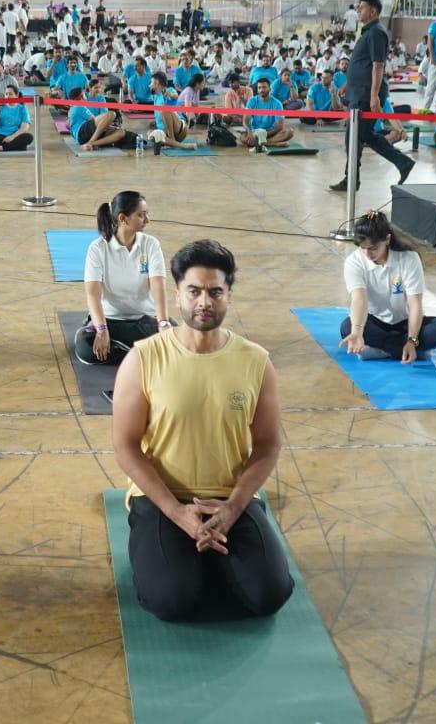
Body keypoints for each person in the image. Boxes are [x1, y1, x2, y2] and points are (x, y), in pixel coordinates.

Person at [110, 240, 293, 622]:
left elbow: (267, 444)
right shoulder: (143, 357)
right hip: (162, 500)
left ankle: (205, 553)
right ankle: (181, 559)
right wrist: (177, 513)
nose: (204, 302)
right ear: (177, 294)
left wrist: (232, 508)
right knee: (172, 601)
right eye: (194, 291)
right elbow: (126, 446)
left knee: (269, 596)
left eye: (215, 292)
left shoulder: (256, 362)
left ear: (228, 295)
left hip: (229, 499)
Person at [339, 209, 436, 362]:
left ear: (387, 239)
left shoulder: (409, 258)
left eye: (373, 248)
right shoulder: (354, 261)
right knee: (347, 327)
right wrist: (357, 332)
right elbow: (359, 300)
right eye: (363, 248)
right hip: (374, 322)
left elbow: (415, 304)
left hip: (404, 323)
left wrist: (412, 340)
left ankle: (384, 350)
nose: (367, 254)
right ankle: (408, 351)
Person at [74, 192, 171, 379]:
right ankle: (139, 353)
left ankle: (126, 351)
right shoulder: (98, 248)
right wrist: (101, 330)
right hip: (110, 321)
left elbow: (158, 286)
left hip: (143, 321)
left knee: (173, 338)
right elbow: (93, 295)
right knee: (86, 348)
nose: (147, 220)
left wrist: (163, 322)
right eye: (141, 215)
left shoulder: (151, 244)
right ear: (123, 218)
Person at [331, 0, 414, 192]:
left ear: (374, 11)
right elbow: (362, 63)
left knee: (356, 137)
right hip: (359, 90)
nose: (358, 11)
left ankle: (354, 179)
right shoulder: (368, 31)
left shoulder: (377, 32)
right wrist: (348, 84)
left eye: (362, 8)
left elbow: (378, 65)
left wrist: (374, 96)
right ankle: (399, 163)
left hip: (367, 93)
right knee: (360, 136)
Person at [239, 77, 293, 151]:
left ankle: (260, 143)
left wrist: (264, 134)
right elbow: (245, 120)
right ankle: (273, 144)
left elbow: (280, 126)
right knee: (242, 137)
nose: (261, 90)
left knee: (290, 132)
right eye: (259, 88)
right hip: (255, 132)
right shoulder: (252, 101)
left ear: (270, 89)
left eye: (264, 87)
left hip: (270, 133)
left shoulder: (277, 104)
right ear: (257, 90)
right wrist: (249, 131)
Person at [0, 83, 33, 152]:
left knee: (29, 137)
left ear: (16, 95)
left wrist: (12, 137)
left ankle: (1, 148)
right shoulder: (0, 107)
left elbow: (24, 128)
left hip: (16, 136)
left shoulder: (22, 108)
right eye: (6, 94)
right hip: (1, 136)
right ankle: (18, 146)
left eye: (10, 94)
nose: (7, 96)